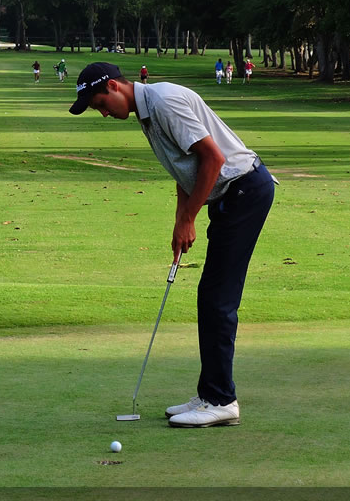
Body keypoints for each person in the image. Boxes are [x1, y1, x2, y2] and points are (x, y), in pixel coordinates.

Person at [69, 62, 275, 428]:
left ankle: (221, 399)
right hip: (232, 195)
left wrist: (191, 219)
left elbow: (214, 158)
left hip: (244, 191)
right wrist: (181, 220)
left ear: (115, 86)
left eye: (100, 103)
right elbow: (188, 169)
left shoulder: (163, 102)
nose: (102, 112)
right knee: (211, 296)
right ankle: (211, 393)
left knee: (217, 298)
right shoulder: (146, 115)